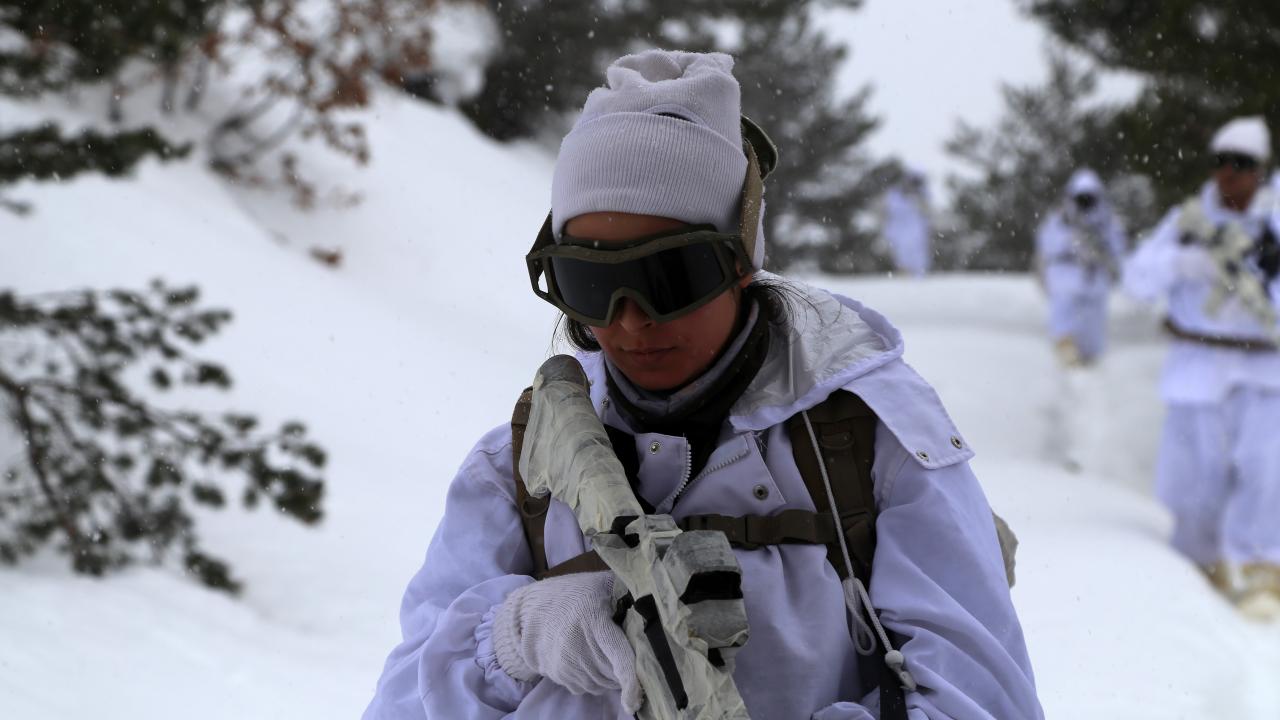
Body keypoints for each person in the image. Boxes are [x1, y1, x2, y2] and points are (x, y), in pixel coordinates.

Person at [363, 50, 1043, 718]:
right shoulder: (518, 469)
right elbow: (402, 704)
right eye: (591, 284)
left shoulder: (871, 447)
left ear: (742, 261)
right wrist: (515, 637)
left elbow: (983, 701)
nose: (629, 322)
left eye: (670, 278)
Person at [1123, 116, 1280, 619]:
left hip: (1264, 367)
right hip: (1199, 364)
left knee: (1265, 470)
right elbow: (1136, 278)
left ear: (1260, 170)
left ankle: (1262, 572)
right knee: (1195, 476)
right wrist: (1182, 263)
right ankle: (1197, 570)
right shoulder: (1188, 220)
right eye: (1222, 163)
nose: (1231, 175)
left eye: (1243, 165)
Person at [1034, 169, 1128, 366]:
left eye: (1089, 197)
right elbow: (1046, 245)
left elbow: (1119, 248)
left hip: (1095, 279)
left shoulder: (1108, 220)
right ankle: (1065, 349)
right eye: (1081, 198)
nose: (1085, 202)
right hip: (1066, 276)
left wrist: (1099, 250)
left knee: (1093, 326)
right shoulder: (1060, 219)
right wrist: (1071, 243)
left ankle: (1091, 358)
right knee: (1064, 317)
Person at [880, 170, 933, 277]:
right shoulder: (894, 195)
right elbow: (886, 211)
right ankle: (903, 271)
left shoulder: (922, 196)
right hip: (898, 229)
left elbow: (927, 212)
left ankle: (918, 274)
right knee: (901, 252)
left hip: (915, 229)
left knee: (917, 252)